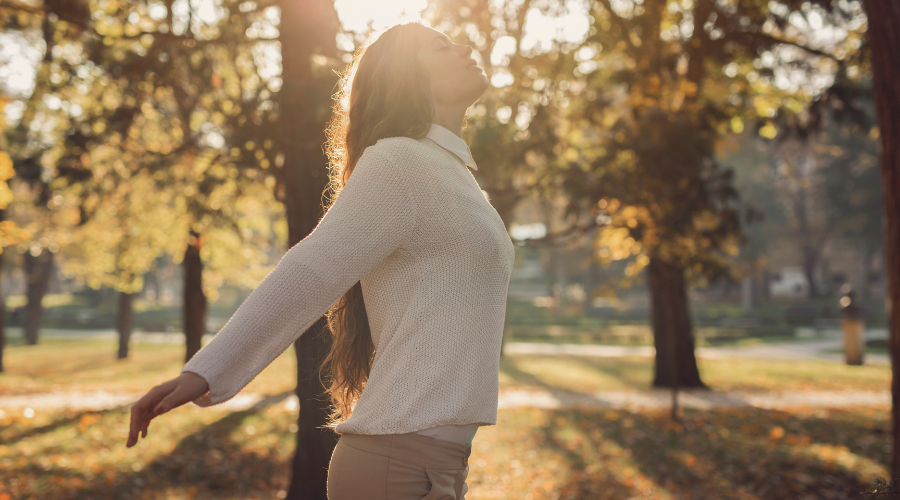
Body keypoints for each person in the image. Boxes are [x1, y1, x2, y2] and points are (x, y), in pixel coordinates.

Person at [126, 20, 514, 500]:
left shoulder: (454, 174)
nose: (463, 46)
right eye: (442, 46)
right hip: (397, 467)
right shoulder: (399, 163)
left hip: (437, 465)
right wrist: (206, 371)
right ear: (406, 75)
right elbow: (309, 270)